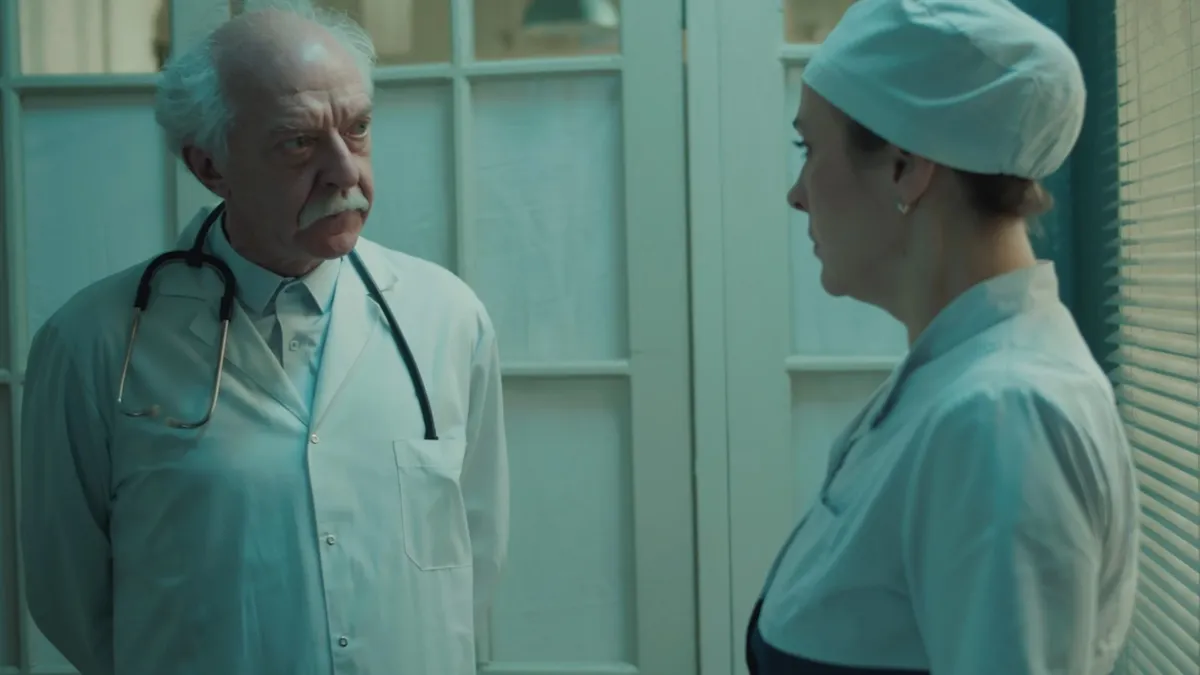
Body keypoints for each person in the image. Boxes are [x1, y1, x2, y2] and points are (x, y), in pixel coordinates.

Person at [19, 2, 508, 674]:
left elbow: (474, 555)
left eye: (358, 129)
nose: (345, 171)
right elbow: (69, 591)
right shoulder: (93, 342)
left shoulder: (446, 316)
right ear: (210, 166)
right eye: (298, 143)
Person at [749, 1, 1140, 673]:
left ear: (906, 166)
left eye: (808, 150)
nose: (796, 193)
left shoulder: (1000, 418)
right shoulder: (956, 382)